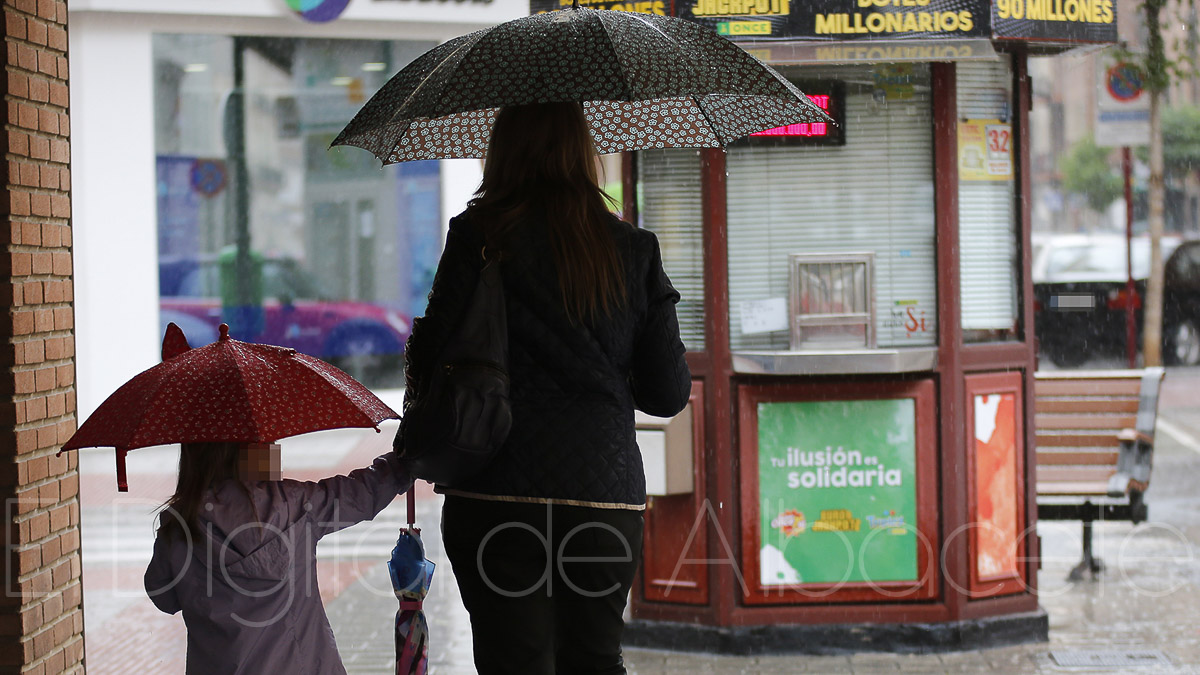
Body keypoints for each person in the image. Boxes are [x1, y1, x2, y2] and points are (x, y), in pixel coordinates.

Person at [399, 101, 691, 674]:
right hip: (601, 493)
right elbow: (667, 392)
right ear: (582, 151)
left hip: (493, 485)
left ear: (503, 150)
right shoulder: (633, 249)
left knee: (516, 662)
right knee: (594, 660)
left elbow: (434, 358)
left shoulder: (477, 238)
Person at [144, 441, 411, 675]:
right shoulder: (292, 503)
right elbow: (360, 494)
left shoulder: (179, 525)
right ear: (250, 451)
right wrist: (406, 461)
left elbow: (163, 596)